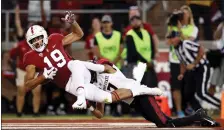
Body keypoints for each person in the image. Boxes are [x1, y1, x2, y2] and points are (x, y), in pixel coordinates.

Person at [23, 12, 162, 110]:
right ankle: (143, 90)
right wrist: (43, 77)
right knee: (107, 99)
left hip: (79, 70)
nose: (37, 42)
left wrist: (73, 22)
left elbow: (78, 34)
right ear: (29, 43)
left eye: (39, 38)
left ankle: (82, 96)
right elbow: (28, 85)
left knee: (76, 64)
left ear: (44, 35)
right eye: (33, 40)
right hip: (69, 84)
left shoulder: (54, 38)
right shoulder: (30, 57)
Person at [87, 59, 220, 128]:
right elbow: (100, 114)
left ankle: (199, 116)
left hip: (141, 95)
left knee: (165, 124)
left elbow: (103, 64)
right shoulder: (96, 89)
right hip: (136, 104)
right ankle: (197, 120)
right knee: (165, 122)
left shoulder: (107, 69)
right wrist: (90, 105)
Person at [166, 30, 221, 110]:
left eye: (172, 38)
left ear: (177, 38)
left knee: (201, 93)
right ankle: (200, 113)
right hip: (194, 71)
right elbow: (182, 63)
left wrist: (194, 63)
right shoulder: (176, 49)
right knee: (188, 93)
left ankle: (221, 105)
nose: (170, 40)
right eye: (170, 38)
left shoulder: (185, 43)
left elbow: (201, 49)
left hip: (202, 67)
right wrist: (181, 73)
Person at [166, 5, 199, 117]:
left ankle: (188, 108)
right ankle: (179, 110)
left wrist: (179, 31)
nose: (183, 16)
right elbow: (168, 42)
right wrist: (171, 25)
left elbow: (189, 43)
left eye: (185, 13)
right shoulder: (173, 27)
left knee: (188, 87)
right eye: (181, 14)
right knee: (176, 86)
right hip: (175, 60)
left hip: (187, 61)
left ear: (189, 15)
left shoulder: (193, 28)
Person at [11, 4, 41, 117]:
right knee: (21, 91)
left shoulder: (40, 45)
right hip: (22, 70)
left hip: (35, 70)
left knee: (37, 91)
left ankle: (36, 112)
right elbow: (12, 55)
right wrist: (17, 14)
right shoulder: (21, 44)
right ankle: (19, 112)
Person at [93, 15, 123, 116]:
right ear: (102, 24)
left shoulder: (118, 35)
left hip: (116, 66)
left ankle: (117, 108)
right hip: (103, 67)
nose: (106, 24)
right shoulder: (97, 36)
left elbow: (121, 50)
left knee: (117, 87)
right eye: (104, 22)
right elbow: (97, 52)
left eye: (108, 22)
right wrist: (106, 63)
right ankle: (107, 108)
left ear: (111, 23)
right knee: (104, 87)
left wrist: (113, 62)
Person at [125, 13, 158, 88]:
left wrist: (151, 60)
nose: (135, 22)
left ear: (141, 21)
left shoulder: (147, 33)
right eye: (133, 20)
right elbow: (133, 52)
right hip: (136, 65)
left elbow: (152, 48)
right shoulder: (129, 35)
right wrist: (146, 62)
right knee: (136, 89)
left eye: (137, 20)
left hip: (148, 66)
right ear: (130, 23)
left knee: (150, 87)